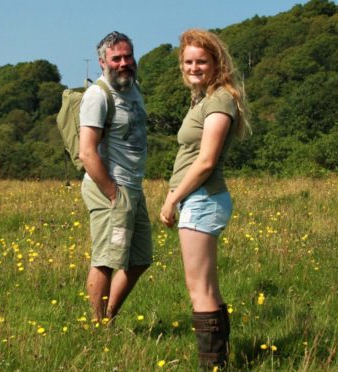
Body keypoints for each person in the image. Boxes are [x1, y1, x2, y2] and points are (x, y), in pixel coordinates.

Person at [160, 29, 250, 369]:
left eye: (201, 61)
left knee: (200, 289)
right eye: (188, 62)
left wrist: (173, 199)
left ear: (216, 63)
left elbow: (206, 161)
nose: (193, 67)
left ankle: (212, 366)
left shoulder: (220, 100)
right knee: (207, 287)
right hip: (197, 199)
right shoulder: (203, 99)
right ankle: (219, 363)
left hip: (203, 198)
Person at [79, 31, 152, 324]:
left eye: (128, 56)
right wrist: (112, 192)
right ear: (102, 62)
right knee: (106, 260)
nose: (124, 63)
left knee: (140, 258)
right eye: (116, 58)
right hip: (110, 188)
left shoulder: (134, 89)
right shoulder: (97, 95)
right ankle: (97, 326)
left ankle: (107, 317)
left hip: (133, 187)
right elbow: (87, 152)